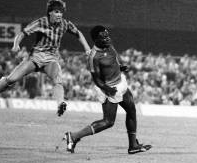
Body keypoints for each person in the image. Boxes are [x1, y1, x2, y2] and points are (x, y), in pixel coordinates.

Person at [0, 0, 91, 116]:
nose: (59, 15)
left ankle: (61, 104)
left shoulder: (65, 24)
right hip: (35, 58)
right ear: (50, 12)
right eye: (56, 12)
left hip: (51, 59)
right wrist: (16, 44)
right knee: (12, 79)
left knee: (58, 80)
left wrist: (87, 48)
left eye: (61, 12)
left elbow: (78, 33)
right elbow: (22, 33)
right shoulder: (40, 22)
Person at [64, 26, 151, 154]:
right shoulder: (94, 57)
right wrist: (108, 89)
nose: (107, 38)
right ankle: (74, 136)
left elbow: (113, 61)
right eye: (103, 37)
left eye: (107, 35)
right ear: (95, 40)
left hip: (120, 83)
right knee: (108, 122)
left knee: (131, 110)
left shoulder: (109, 46)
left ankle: (133, 145)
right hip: (109, 88)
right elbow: (97, 79)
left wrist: (120, 67)